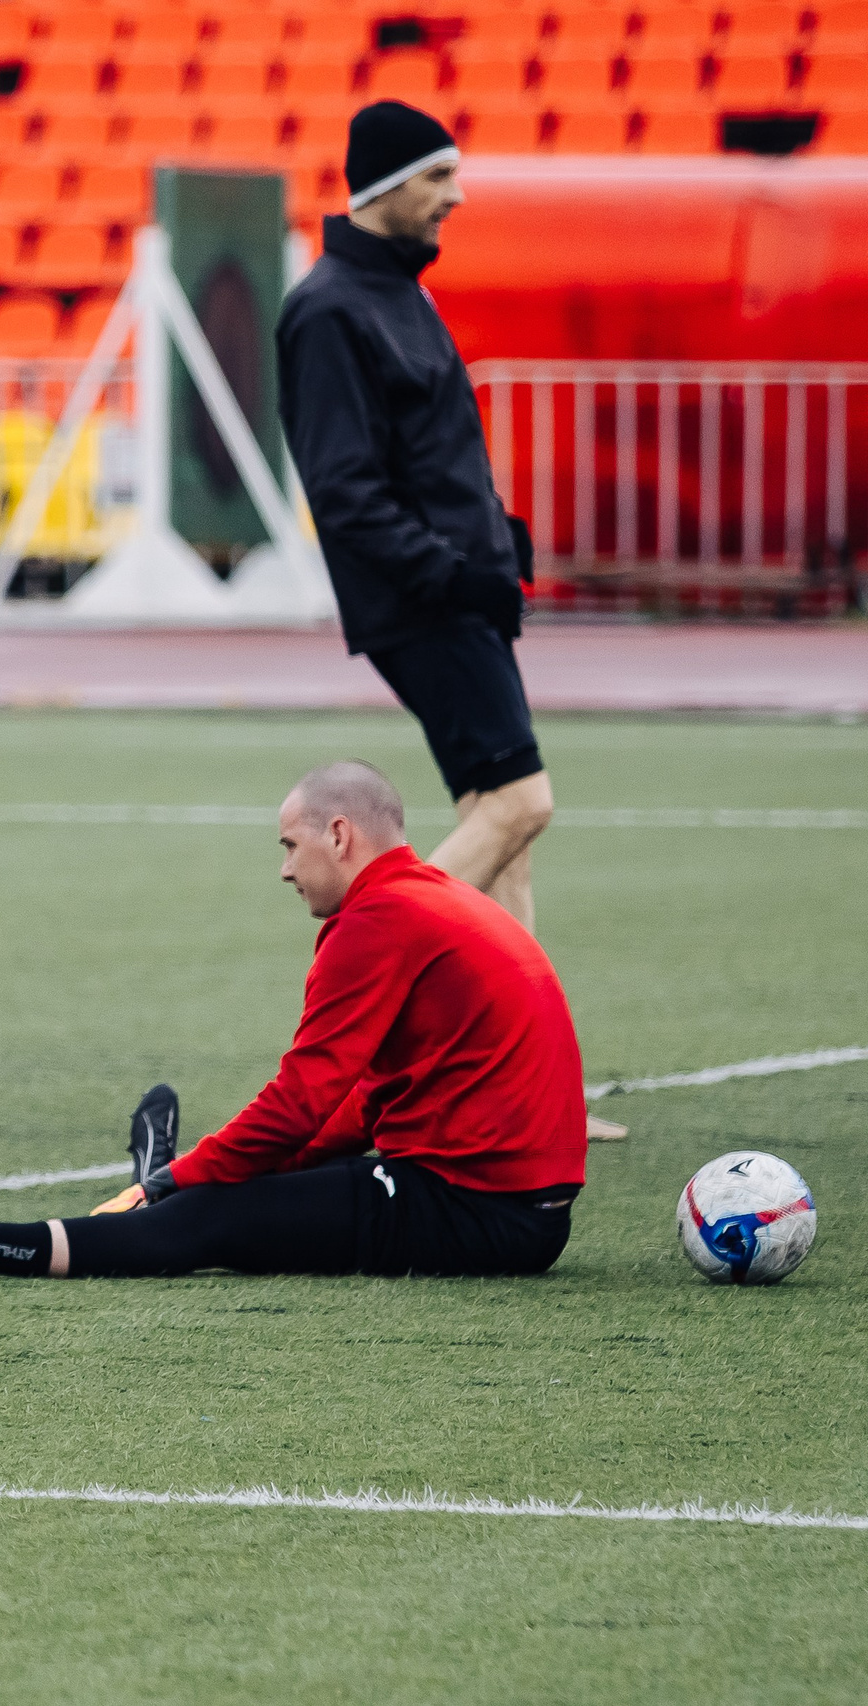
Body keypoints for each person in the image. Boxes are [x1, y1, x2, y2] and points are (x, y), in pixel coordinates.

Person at [0, 761, 588, 1282]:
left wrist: (174, 1185)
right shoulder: (431, 897)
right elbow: (365, 1108)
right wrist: (201, 1173)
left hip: (481, 1214)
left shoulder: (377, 921)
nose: (285, 870)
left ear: (339, 835)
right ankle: (155, 1193)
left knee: (207, 1222)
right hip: (514, 1208)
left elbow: (301, 1101)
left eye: (290, 846)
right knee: (233, 1193)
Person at [278, 101, 624, 1140]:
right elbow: (345, 494)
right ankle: (358, 979)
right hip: (422, 602)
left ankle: (535, 1084)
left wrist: (497, 545)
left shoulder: (395, 290)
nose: (456, 195)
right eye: (438, 177)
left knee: (503, 835)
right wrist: (456, 575)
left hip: (460, 591)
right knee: (519, 804)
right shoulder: (327, 309)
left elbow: (432, 458)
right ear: (386, 187)